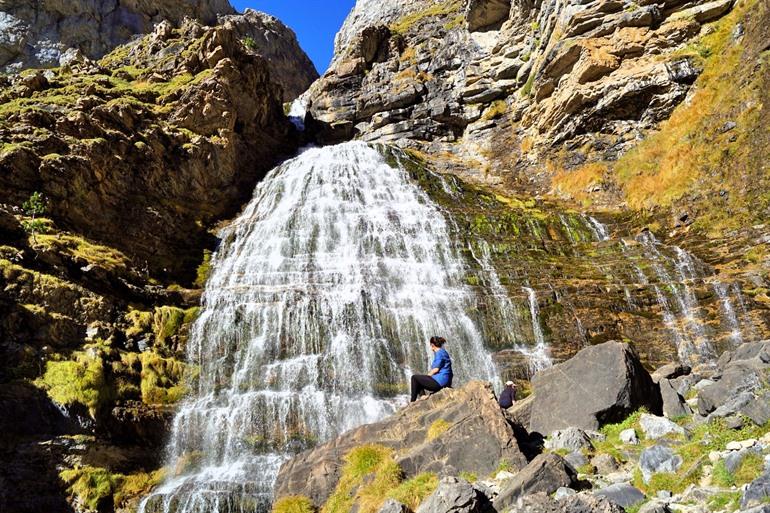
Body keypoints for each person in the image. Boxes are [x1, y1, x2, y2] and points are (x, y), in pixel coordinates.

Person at [410, 336, 453, 402]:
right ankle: (422, 396)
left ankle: (412, 401)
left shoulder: (439, 353)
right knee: (420, 378)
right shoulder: (443, 352)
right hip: (446, 382)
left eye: (430, 345)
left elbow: (436, 369)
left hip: (439, 382)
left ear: (432, 345)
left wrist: (427, 376)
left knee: (414, 378)